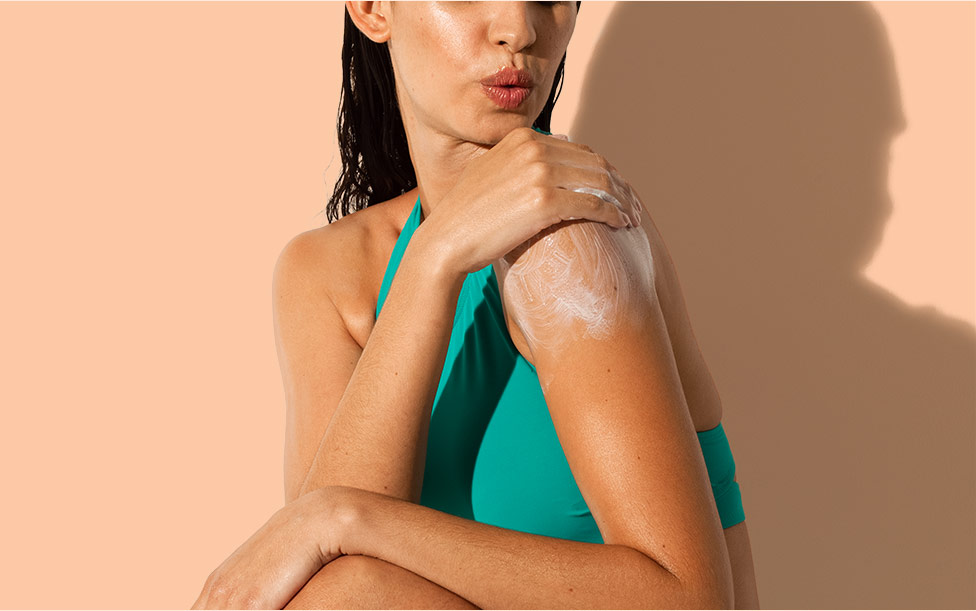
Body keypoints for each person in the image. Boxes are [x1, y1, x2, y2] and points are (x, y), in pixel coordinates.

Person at [192, 2, 760, 609]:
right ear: (372, 8)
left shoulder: (566, 240)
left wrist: (344, 518)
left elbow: (690, 599)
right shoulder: (328, 274)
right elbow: (311, 576)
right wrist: (433, 260)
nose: (519, 27)